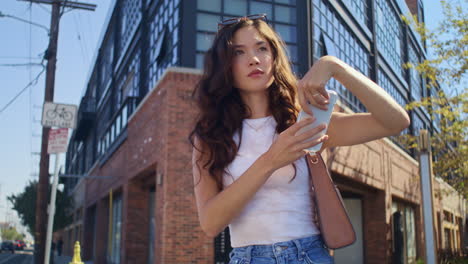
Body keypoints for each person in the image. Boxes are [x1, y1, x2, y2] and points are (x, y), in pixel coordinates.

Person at [189, 14, 409, 264]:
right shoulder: (211, 136)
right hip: (247, 257)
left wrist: (335, 65)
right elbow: (210, 223)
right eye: (239, 52)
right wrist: (271, 159)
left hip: (307, 255)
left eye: (262, 48)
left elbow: (396, 122)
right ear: (225, 66)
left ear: (274, 56)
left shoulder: (304, 122)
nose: (254, 59)